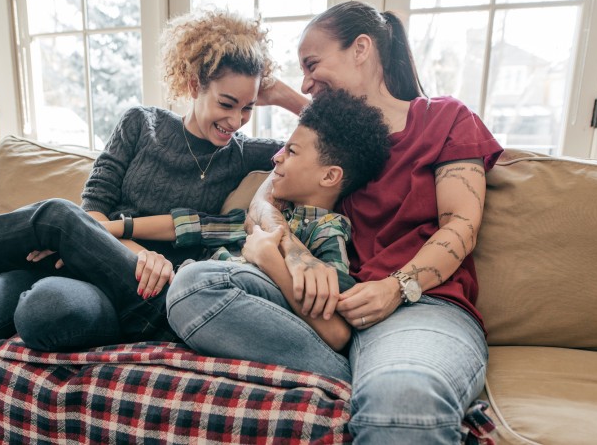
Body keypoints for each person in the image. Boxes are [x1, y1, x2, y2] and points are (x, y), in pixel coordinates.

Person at [0, 10, 284, 445]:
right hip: (77, 271)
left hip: (146, 290)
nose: (236, 121)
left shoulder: (242, 153)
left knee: (56, 219)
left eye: (248, 107)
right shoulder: (141, 124)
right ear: (195, 85)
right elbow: (93, 213)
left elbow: (321, 140)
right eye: (227, 104)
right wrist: (139, 248)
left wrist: (282, 94)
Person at [204, 1, 503, 443]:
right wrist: (297, 253)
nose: (305, 80)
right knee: (199, 284)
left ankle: (370, 375)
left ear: (361, 48)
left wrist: (396, 287)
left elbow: (460, 223)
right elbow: (263, 204)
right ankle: (355, 369)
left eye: (312, 64)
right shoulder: (326, 138)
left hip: (417, 305)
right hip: (325, 301)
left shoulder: (444, 119)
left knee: (401, 400)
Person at [107, 88, 390, 382]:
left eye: (291, 151)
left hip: (208, 293)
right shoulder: (258, 218)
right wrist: (112, 227)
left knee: (191, 282)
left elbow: (338, 333)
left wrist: (271, 261)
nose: (276, 158)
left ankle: (335, 375)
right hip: (195, 301)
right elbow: (193, 225)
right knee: (184, 281)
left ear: (330, 176)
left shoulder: (326, 229)